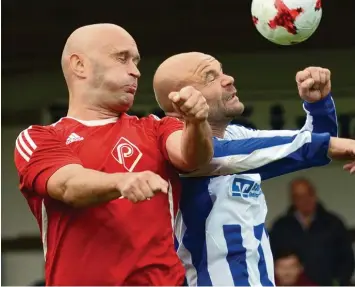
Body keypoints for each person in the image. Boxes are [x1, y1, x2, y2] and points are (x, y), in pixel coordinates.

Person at [14, 25, 214, 286]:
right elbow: (67, 185)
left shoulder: (155, 128)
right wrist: (120, 182)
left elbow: (193, 157)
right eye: (122, 58)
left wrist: (197, 122)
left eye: (136, 61)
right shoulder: (40, 137)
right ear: (79, 65)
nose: (136, 71)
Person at [153, 52, 355, 286]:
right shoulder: (174, 147)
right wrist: (328, 144)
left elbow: (311, 147)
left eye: (222, 71)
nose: (228, 79)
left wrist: (318, 105)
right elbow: (218, 155)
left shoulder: (238, 138)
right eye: (210, 77)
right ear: (179, 98)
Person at [270, 178, 355, 286]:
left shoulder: (333, 223)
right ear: (293, 200)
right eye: (298, 197)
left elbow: (347, 259)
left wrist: (338, 282)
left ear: (314, 195)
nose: (304, 200)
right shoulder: (281, 226)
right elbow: (271, 258)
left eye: (308, 194)